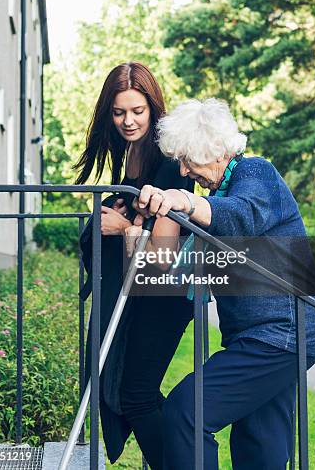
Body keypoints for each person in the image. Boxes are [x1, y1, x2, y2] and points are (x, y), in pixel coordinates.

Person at [132, 97, 315, 470]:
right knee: (260, 441)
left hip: (283, 333)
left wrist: (184, 201)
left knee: (186, 410)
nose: (186, 170)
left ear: (217, 150)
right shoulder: (218, 194)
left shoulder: (256, 174)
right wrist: (158, 216)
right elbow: (175, 265)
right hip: (265, 336)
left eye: (190, 159)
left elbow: (242, 217)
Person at [73, 62, 193, 469]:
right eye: (119, 112)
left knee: (136, 393)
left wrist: (123, 224)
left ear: (153, 108)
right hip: (141, 292)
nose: (128, 121)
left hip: (165, 293)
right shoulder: (132, 158)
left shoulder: (171, 161)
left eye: (137, 111)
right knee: (129, 390)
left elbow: (161, 257)